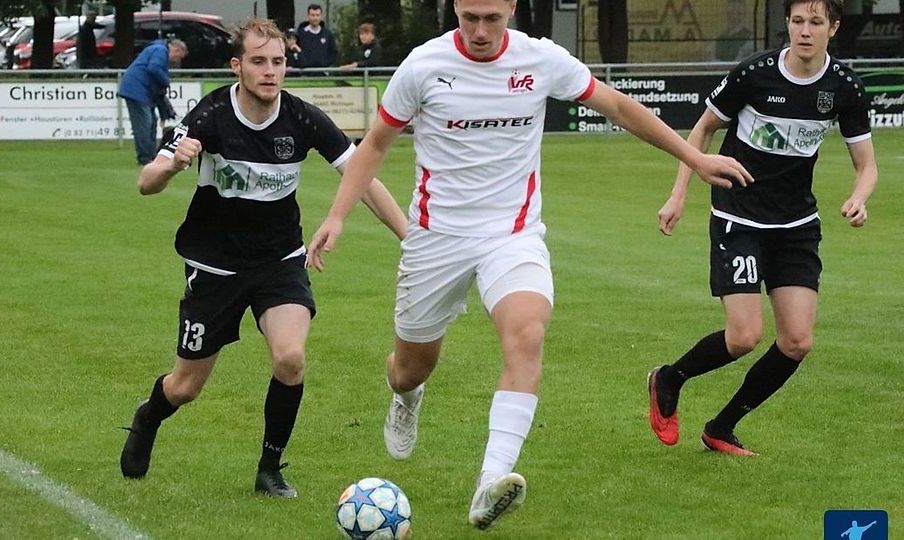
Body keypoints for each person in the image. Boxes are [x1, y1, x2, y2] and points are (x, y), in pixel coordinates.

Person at [307, 0, 751, 530]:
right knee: (411, 368)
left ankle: (490, 481)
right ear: (456, 8)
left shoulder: (539, 59)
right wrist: (337, 216)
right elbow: (375, 145)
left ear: (512, 9)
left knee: (527, 334)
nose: (479, 30)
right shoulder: (423, 66)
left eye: (492, 18)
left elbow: (618, 106)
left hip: (512, 236)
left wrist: (693, 156)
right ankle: (406, 396)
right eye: (469, 17)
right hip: (436, 238)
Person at [119, 19, 407, 498]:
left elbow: (363, 177)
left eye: (278, 61)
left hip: (279, 260)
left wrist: (410, 239)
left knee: (290, 359)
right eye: (258, 61)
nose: (270, 71)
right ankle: (148, 417)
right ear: (237, 66)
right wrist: (171, 164)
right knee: (185, 387)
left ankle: (269, 469)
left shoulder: (302, 118)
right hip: (215, 266)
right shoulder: (210, 115)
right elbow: (146, 182)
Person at [649, 0, 877, 456]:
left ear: (833, 28)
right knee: (744, 337)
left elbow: (866, 165)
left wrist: (859, 197)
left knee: (796, 341)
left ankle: (721, 427)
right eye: (798, 21)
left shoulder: (844, 86)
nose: (805, 31)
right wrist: (678, 194)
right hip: (739, 216)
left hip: (796, 224)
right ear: (787, 24)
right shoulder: (755, 73)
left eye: (816, 22)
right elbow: (702, 131)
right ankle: (669, 378)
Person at [118, 39, 188, 165]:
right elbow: (154, 68)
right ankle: (145, 158)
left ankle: (152, 157)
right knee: (144, 125)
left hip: (141, 90)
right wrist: (166, 81)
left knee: (151, 123)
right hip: (136, 90)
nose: (176, 61)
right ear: (177, 50)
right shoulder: (160, 50)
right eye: (179, 57)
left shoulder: (157, 49)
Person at [296, 4, 337, 68]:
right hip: (305, 71)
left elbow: (333, 52)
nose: (315, 18)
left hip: (322, 71)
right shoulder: (301, 34)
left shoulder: (327, 34)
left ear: (321, 16)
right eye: (312, 15)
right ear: (308, 16)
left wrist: (325, 64)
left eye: (317, 15)